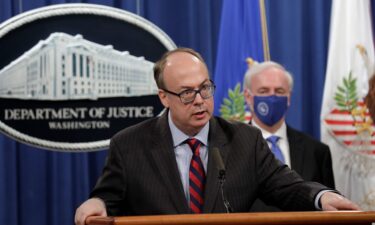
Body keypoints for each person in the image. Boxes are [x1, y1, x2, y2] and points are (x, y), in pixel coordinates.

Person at [75, 48, 359, 225]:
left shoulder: (245, 140)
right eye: (187, 93)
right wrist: (96, 204)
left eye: (205, 88)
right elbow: (108, 197)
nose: (200, 101)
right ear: (164, 97)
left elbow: (287, 186)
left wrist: (321, 197)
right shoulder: (129, 145)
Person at [243, 61, 335, 212]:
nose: (272, 97)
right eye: (264, 91)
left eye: (279, 91)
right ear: (248, 96)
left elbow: (329, 211)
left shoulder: (317, 151)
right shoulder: (232, 148)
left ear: (289, 97)